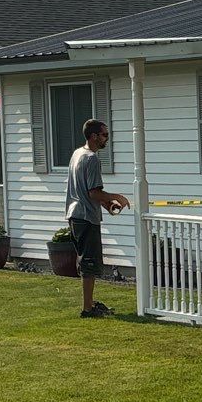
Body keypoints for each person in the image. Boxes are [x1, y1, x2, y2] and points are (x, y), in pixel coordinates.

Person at [65, 118, 129, 316]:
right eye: (105, 135)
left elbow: (89, 191)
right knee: (89, 264)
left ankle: (90, 303)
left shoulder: (77, 154)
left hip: (75, 215)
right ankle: (87, 309)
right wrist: (117, 197)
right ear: (94, 136)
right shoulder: (92, 158)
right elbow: (94, 192)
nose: (107, 139)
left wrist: (108, 205)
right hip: (86, 217)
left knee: (86, 262)